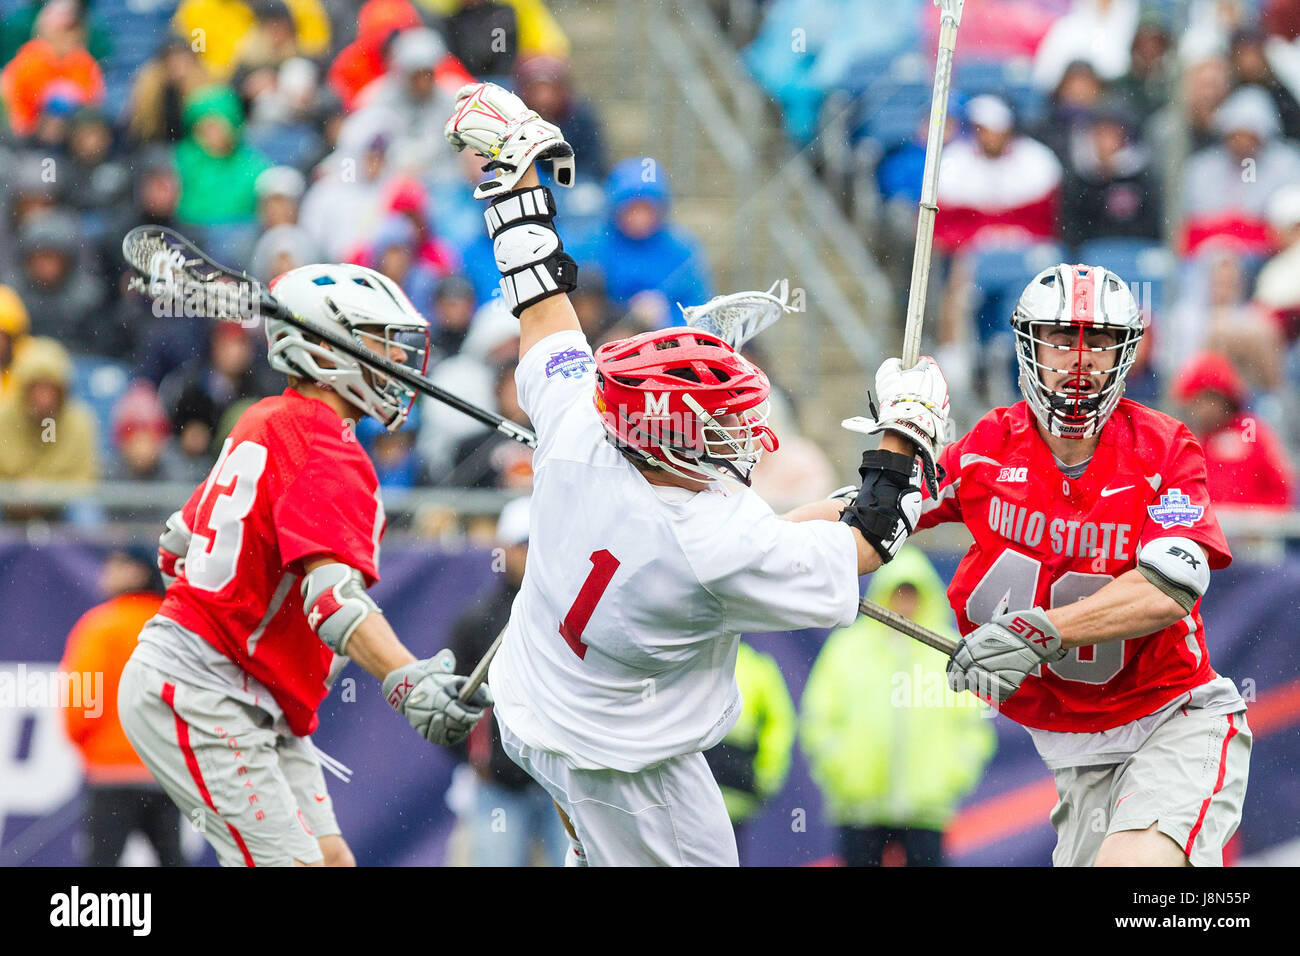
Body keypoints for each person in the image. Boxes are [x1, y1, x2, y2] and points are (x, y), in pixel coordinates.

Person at [444, 82, 950, 866]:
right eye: (722, 422)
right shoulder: (713, 537)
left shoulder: (584, 418)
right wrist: (906, 435)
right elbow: (871, 539)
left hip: (537, 704)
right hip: (624, 761)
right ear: (678, 442)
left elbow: (540, 306)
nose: (743, 431)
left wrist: (514, 181)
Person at [117, 262, 491, 867]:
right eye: (377, 340)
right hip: (206, 691)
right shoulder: (327, 447)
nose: (395, 360)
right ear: (323, 347)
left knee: (331, 861)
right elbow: (333, 603)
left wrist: (241, 632)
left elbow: (174, 545)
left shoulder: (265, 417)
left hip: (241, 690)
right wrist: (406, 678)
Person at [925, 263, 1251, 867]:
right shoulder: (989, 447)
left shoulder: (1163, 447)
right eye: (1061, 339)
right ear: (1028, 344)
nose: (1079, 359)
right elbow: (868, 523)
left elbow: (1170, 586)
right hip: (1079, 753)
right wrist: (896, 443)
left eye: (1098, 341)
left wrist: (1038, 631)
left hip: (1172, 718)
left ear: (1125, 352)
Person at [800, 547, 996, 867]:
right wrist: (840, 770)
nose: (905, 602)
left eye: (912, 594)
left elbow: (974, 727)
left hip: (926, 809)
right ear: (883, 595)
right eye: (898, 592)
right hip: (858, 805)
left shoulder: (946, 651)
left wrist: (951, 777)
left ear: (925, 596)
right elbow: (818, 718)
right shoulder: (847, 649)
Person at [447, 496, 569, 866]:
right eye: (521, 544)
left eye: (537, 543)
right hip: (500, 787)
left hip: (562, 785)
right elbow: (449, 696)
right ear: (503, 548)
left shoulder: (570, 612)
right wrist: (478, 761)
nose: (530, 554)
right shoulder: (476, 620)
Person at [60, 546, 185, 867]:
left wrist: (87, 745)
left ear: (138, 571)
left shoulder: (102, 625)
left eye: (117, 563)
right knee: (172, 859)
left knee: (101, 864)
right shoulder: (174, 624)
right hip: (165, 768)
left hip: (111, 771)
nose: (107, 571)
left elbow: (82, 699)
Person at [702, 640, 796, 861]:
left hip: (731, 797)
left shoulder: (759, 668)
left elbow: (779, 725)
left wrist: (764, 776)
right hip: (699, 791)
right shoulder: (758, 666)